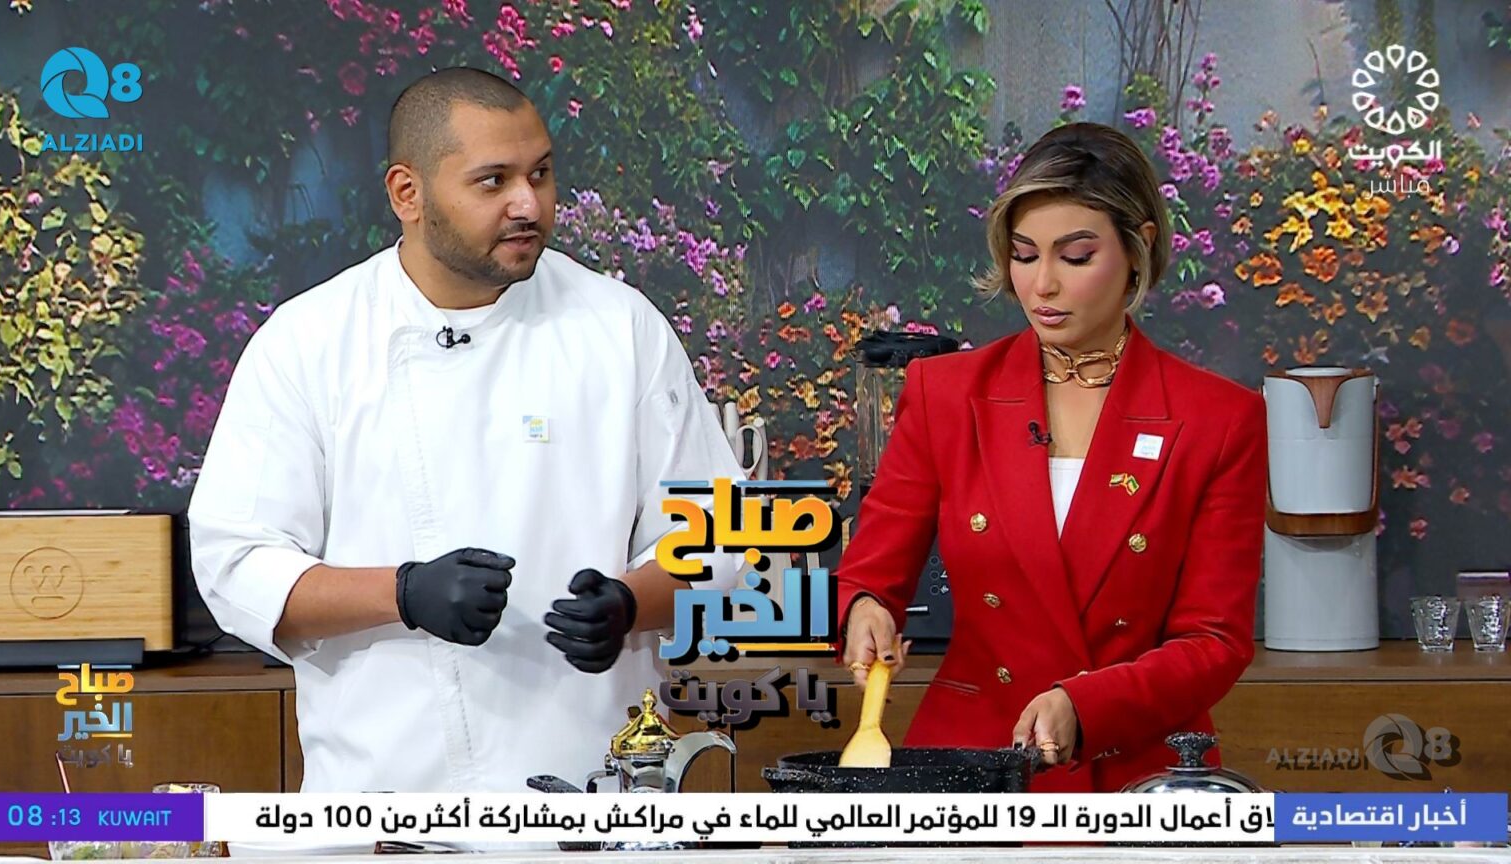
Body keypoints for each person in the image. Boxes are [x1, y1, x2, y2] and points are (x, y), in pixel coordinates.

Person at [188, 67, 741, 803]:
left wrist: (630, 603)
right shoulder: (309, 342)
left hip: (597, 800)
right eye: (493, 181)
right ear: (407, 193)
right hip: (382, 802)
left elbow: (722, 536)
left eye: (540, 174)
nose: (528, 204)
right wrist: (404, 592)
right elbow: (237, 565)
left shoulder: (620, 327)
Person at [835, 122, 1266, 793]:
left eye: (1076, 257)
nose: (1042, 285)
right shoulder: (946, 393)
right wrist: (865, 610)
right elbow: (870, 573)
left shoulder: (1219, 420)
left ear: (1137, 249)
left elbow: (1215, 640)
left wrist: (1086, 705)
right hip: (971, 766)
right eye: (1024, 254)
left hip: (1135, 772)